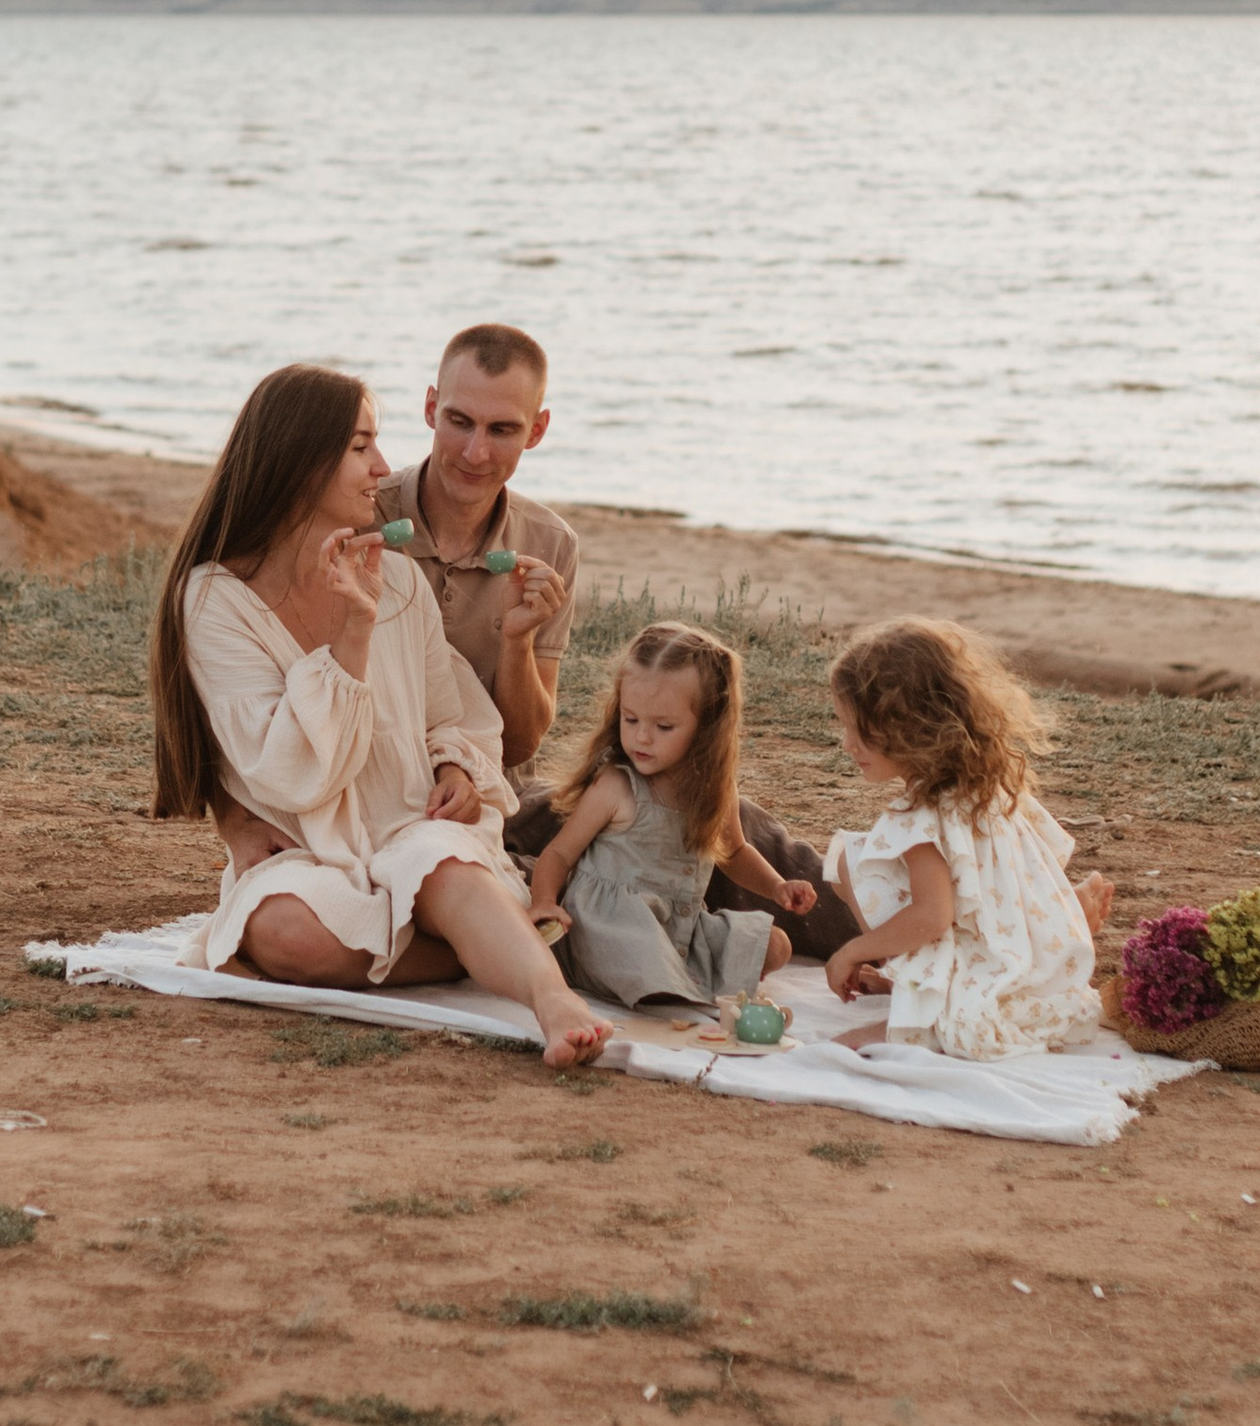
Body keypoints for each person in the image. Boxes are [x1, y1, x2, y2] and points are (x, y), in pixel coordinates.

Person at [148, 361, 607, 1072]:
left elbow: (452, 713)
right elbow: (294, 775)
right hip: (301, 840)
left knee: (440, 861)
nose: (384, 467)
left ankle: (551, 1000)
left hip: (408, 818)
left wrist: (454, 762)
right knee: (284, 935)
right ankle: (486, 947)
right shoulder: (215, 600)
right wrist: (352, 637)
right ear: (301, 462)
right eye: (362, 447)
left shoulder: (394, 575)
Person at [819, 620, 1117, 1059]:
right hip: (1018, 955)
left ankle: (919, 1000)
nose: (847, 745)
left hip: (976, 971)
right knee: (861, 856)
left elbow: (933, 916)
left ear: (908, 728)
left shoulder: (917, 818)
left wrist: (853, 951)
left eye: (859, 731)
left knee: (849, 855)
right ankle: (918, 979)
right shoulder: (989, 789)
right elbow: (1033, 872)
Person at [527, 621, 818, 1009]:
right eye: (630, 720)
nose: (642, 737)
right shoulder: (618, 786)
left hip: (680, 931)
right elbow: (560, 853)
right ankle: (667, 982)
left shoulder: (715, 790)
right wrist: (544, 902)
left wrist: (777, 886)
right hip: (612, 932)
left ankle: (675, 976)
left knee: (775, 945)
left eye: (663, 726)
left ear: (707, 727)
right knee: (644, 957)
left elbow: (733, 852)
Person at [377, 325, 577, 775]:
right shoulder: (362, 514)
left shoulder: (551, 544)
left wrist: (517, 639)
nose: (476, 453)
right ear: (431, 408)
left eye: (502, 430)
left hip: (495, 794)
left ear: (537, 430)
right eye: (459, 421)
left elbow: (521, 746)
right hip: (375, 783)